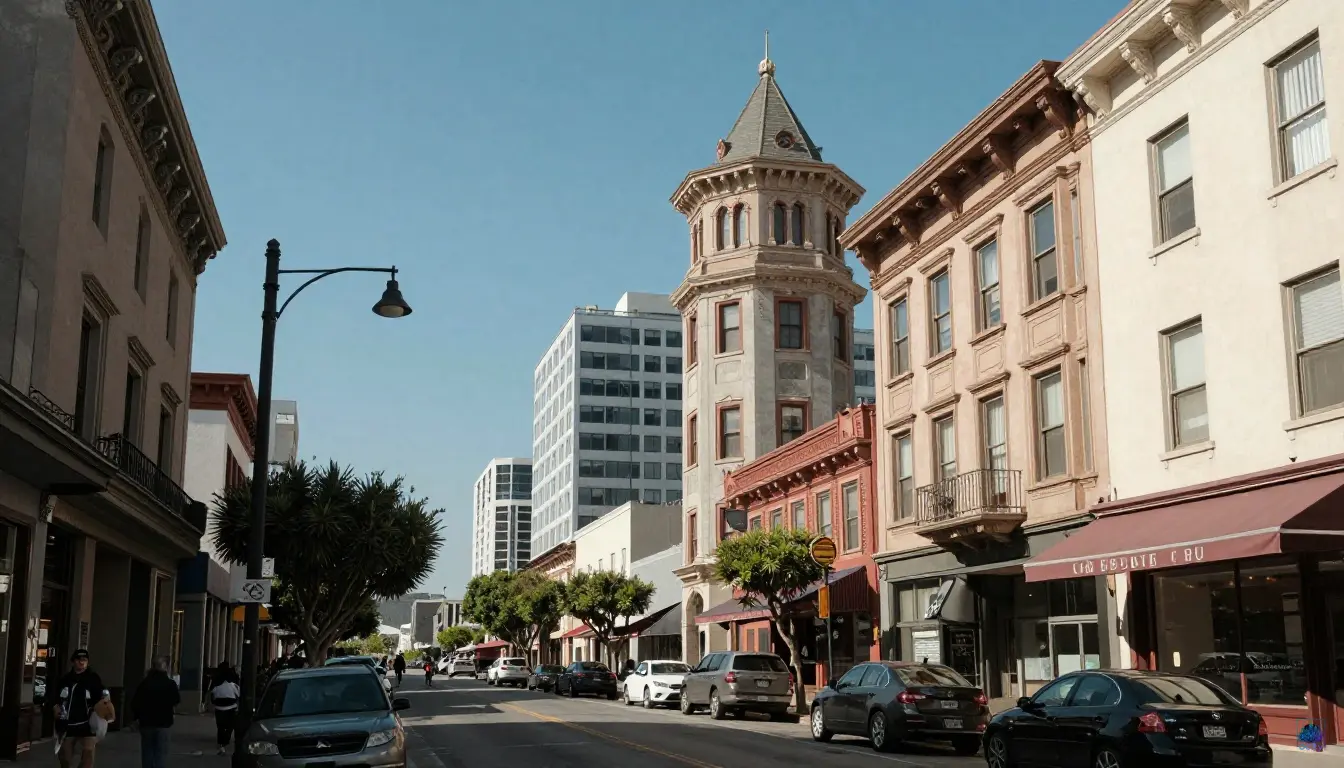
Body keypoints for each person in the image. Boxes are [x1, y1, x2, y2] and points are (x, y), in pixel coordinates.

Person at [54, 649, 109, 768]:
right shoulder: (65, 680)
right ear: (73, 661)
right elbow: (55, 696)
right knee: (65, 758)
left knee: (88, 754)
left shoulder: (93, 679)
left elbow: (102, 697)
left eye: (85, 660)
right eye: (79, 660)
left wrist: (103, 707)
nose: (82, 662)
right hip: (67, 723)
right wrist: (55, 707)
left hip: (87, 723)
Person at [131, 656, 180, 768]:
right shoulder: (170, 684)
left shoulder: (144, 684)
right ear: (166, 668)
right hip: (164, 723)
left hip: (146, 723)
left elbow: (135, 703)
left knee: (147, 751)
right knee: (161, 753)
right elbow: (176, 700)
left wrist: (137, 717)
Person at [209, 663, 240, 756]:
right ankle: (226, 740)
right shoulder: (233, 684)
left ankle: (221, 743)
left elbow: (212, 695)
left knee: (221, 727)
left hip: (219, 708)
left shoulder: (216, 682)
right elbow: (238, 694)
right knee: (230, 726)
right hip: (231, 707)